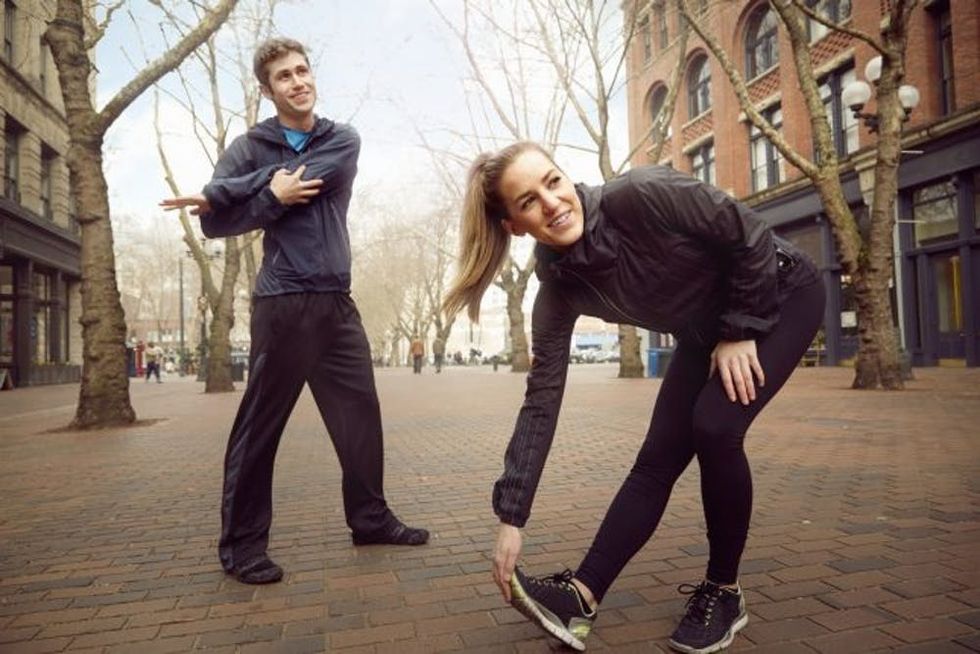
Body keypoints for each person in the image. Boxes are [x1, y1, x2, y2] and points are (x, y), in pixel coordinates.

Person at [442, 142, 824, 653]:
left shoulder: (643, 194)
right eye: (529, 201)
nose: (552, 203)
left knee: (715, 425)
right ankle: (581, 596)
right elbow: (541, 400)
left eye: (552, 182)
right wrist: (512, 518)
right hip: (707, 330)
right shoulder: (559, 290)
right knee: (655, 460)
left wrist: (740, 329)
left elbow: (748, 235)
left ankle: (724, 591)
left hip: (779, 291)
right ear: (513, 224)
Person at [160, 37, 428, 586]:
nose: (297, 82)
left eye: (303, 71)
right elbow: (213, 221)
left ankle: (370, 519)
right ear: (269, 90)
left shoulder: (341, 139)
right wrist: (268, 197)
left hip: (337, 300)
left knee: (360, 416)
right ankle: (241, 546)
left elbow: (270, 186)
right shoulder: (251, 144)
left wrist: (237, 190)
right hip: (282, 301)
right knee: (260, 427)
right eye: (284, 76)